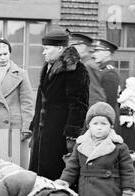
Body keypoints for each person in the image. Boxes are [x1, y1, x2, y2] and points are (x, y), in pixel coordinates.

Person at [29, 30, 89, 180]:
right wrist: (34, 124)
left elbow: (78, 105)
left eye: (47, 48)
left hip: (59, 134)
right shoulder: (48, 67)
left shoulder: (75, 69)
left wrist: (72, 135)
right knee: (39, 175)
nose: (43, 52)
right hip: (42, 132)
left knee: (56, 175)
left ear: (61, 48)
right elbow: (41, 100)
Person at [0, 38, 34, 169]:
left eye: (5, 54)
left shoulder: (21, 74)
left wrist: (27, 127)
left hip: (15, 126)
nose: (2, 58)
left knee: (14, 168)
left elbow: (27, 103)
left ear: (10, 54)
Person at [68, 32, 106, 106]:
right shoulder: (83, 64)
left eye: (73, 45)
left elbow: (93, 93)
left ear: (82, 47)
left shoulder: (88, 65)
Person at [92, 39, 121, 133]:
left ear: (107, 53)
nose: (94, 54)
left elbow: (109, 103)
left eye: (98, 51)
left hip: (105, 122)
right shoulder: (101, 70)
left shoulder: (109, 72)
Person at [117, 77, 135, 152]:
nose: (125, 86)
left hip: (127, 117)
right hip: (125, 117)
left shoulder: (128, 92)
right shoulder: (130, 92)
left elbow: (121, 100)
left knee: (129, 142)